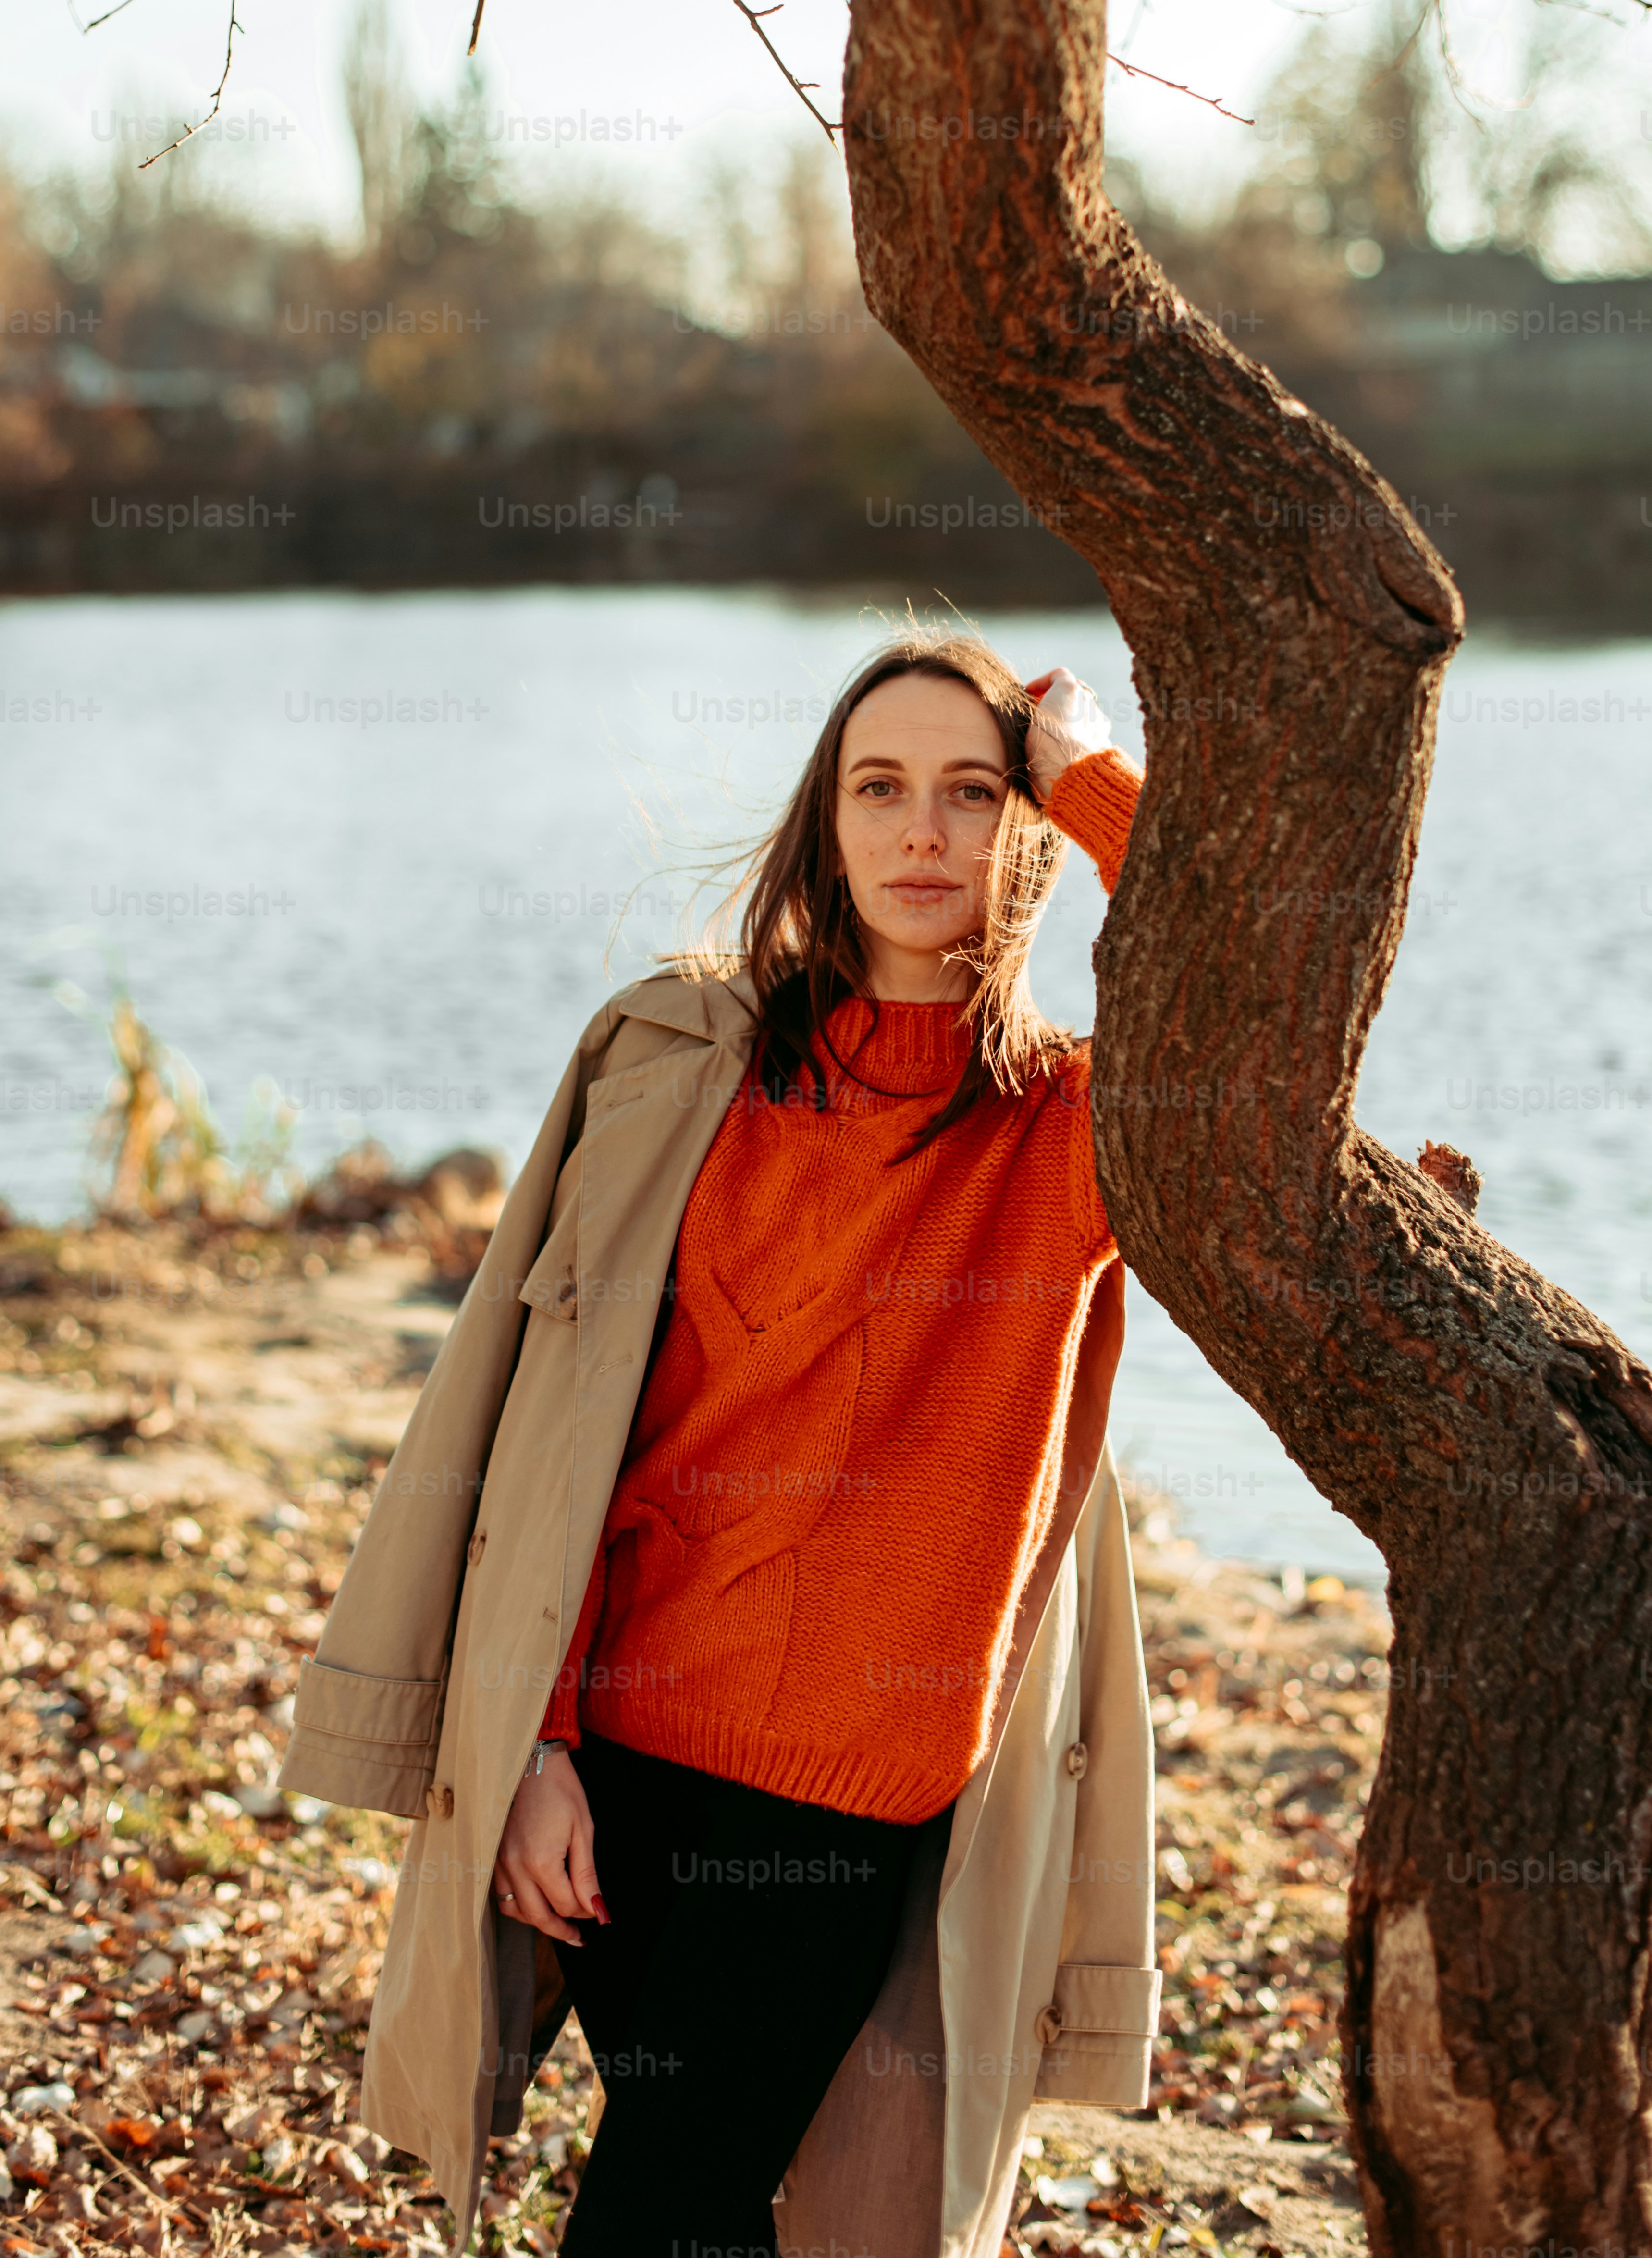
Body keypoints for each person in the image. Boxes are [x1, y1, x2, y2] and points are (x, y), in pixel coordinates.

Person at [279, 632, 1161, 2258]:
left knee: (662, 2204)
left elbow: (1254, 999)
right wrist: (540, 1747)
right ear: (823, 823)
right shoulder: (686, 1065)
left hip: (847, 1783)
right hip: (618, 1747)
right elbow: (566, 1445)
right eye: (877, 788)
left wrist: (1087, 767)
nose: (920, 833)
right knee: (703, 2207)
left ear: (1030, 826)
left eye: (974, 795)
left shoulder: (1082, 1132)